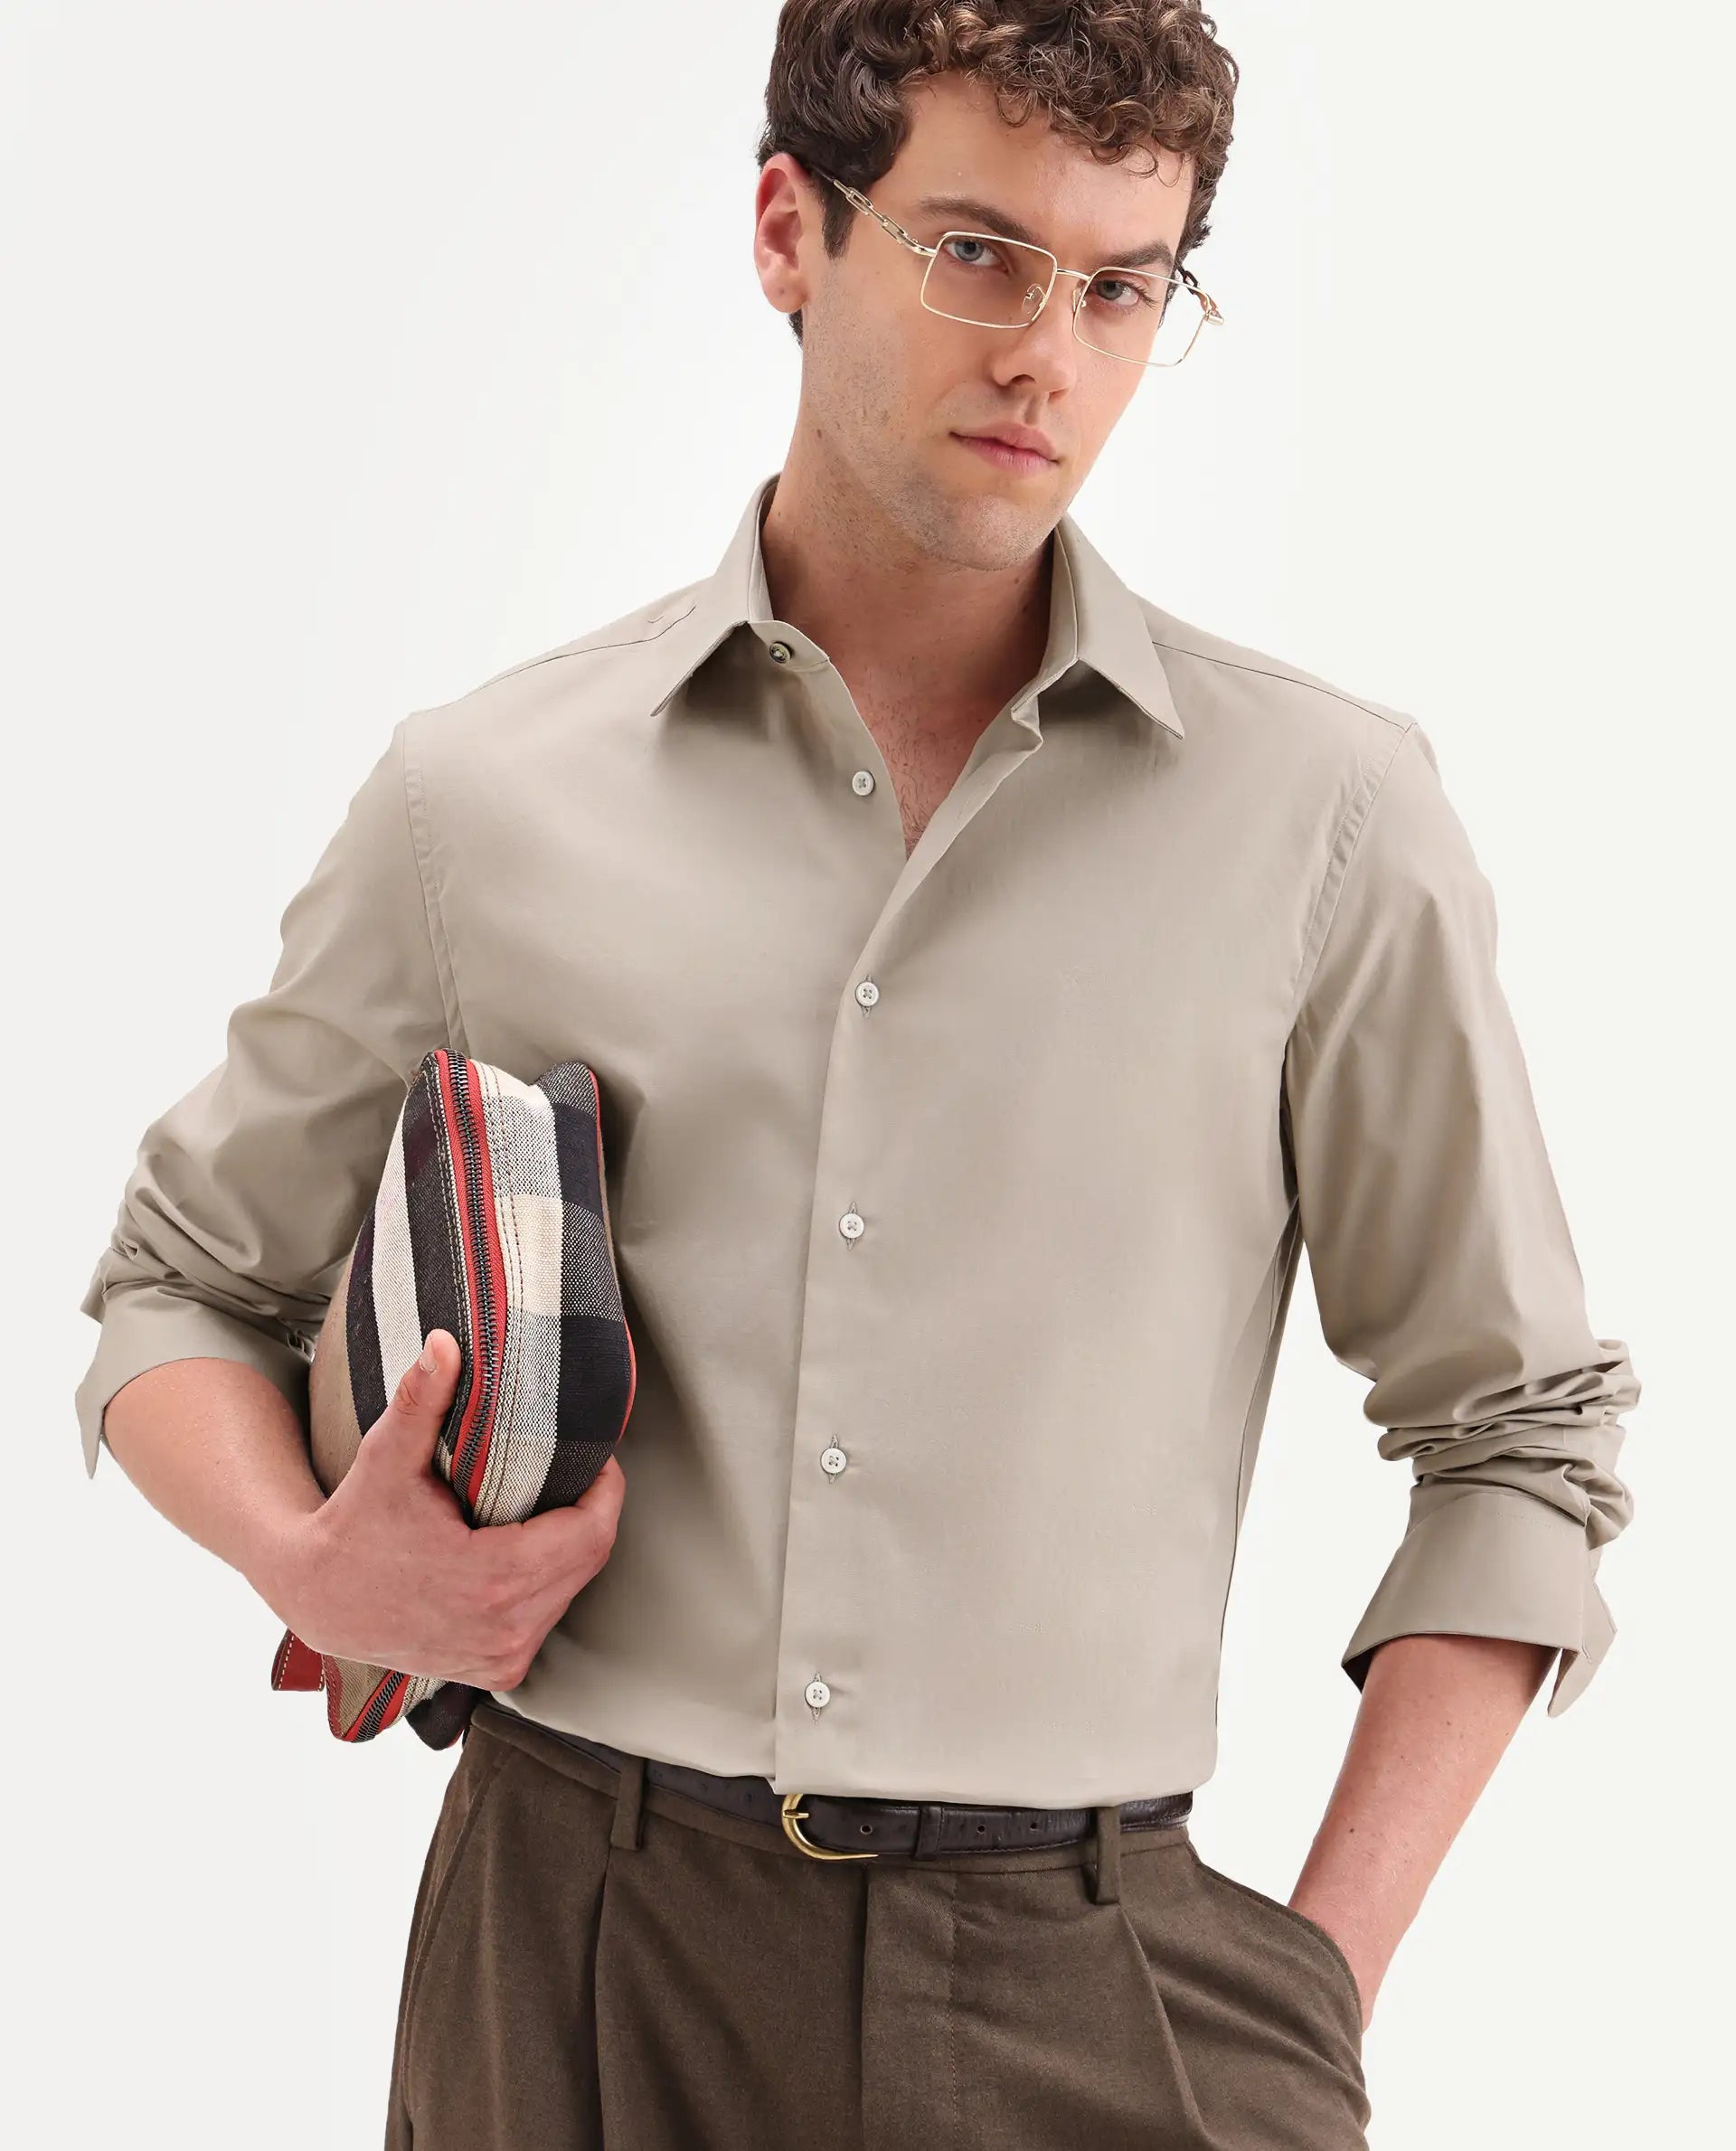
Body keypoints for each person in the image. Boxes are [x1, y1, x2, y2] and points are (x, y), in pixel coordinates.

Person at [73, 5, 1640, 2147]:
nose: (1049, 358)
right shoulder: (485, 799)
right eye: (978, 253)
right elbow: (178, 1285)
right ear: (786, 231)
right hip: (573, 1952)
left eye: (1122, 286)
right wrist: (305, 1555)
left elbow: (1519, 1429)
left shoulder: (1328, 821)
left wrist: (1311, 1991)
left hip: (1099, 1981)